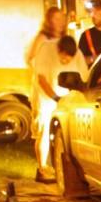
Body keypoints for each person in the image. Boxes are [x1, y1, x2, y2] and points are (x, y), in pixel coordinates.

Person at [32, 35, 88, 182]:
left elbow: (85, 76)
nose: (65, 62)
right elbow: (41, 79)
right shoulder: (46, 49)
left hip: (67, 97)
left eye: (69, 60)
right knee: (44, 131)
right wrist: (56, 98)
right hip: (46, 96)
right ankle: (42, 168)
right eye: (63, 59)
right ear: (59, 50)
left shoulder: (77, 54)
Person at [78, 0, 101, 66]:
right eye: (91, 12)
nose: (92, 15)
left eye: (96, 11)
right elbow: (79, 60)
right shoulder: (85, 35)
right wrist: (93, 59)